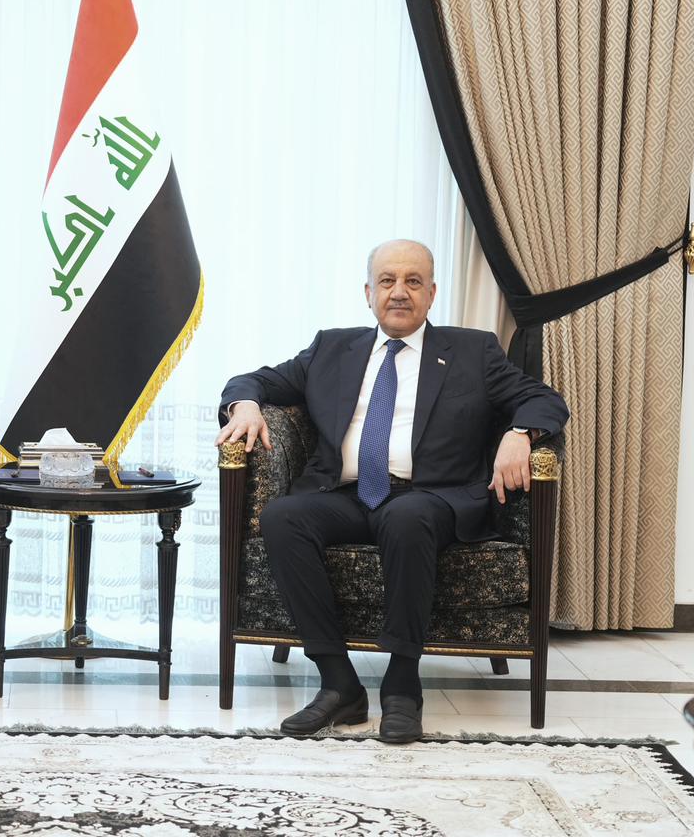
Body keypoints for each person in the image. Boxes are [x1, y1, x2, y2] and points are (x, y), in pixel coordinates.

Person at [216, 239, 567, 744]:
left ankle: (402, 686)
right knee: (282, 517)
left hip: (432, 497)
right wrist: (246, 404)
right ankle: (339, 683)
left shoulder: (473, 351)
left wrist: (519, 433)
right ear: (369, 293)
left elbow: (543, 399)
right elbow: (252, 380)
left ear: (431, 294)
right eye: (387, 281)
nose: (399, 292)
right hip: (347, 493)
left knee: (407, 517)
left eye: (412, 281)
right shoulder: (331, 348)